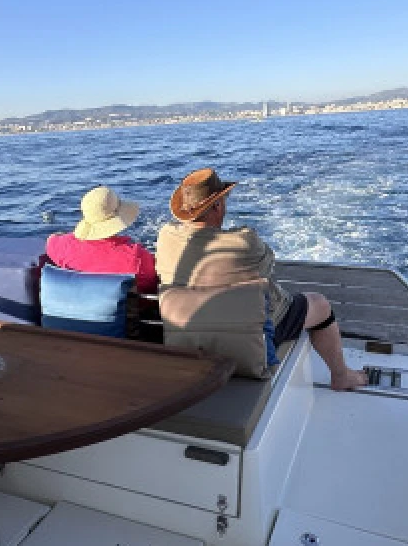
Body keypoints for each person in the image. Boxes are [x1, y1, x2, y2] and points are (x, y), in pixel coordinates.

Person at [156, 168, 368, 391]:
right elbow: (267, 266)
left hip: (187, 340)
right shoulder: (245, 242)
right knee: (320, 304)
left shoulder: (165, 238)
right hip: (249, 341)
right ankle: (341, 376)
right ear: (218, 205)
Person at [46, 186, 158, 294]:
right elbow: (151, 286)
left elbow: (52, 239)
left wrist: (67, 238)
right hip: (128, 310)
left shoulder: (59, 246)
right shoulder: (138, 257)